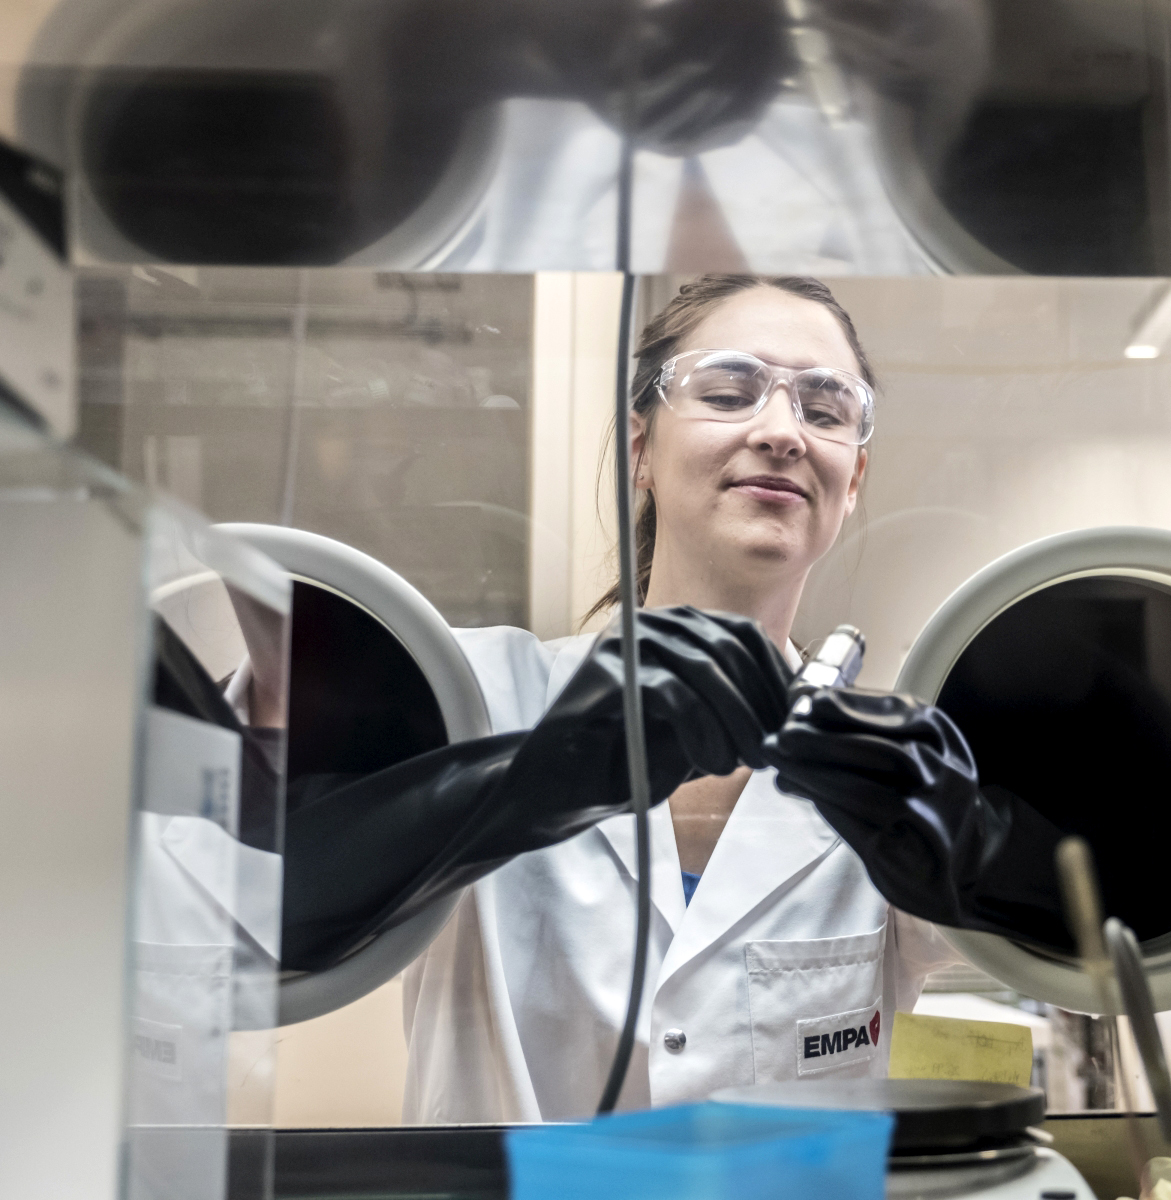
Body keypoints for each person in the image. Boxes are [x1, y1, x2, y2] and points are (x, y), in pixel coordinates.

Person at [370, 274, 1064, 1121]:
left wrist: (988, 855)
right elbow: (249, 878)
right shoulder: (477, 694)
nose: (781, 431)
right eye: (730, 392)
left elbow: (1110, 963)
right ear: (640, 450)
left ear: (853, 482)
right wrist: (519, 786)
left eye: (825, 408)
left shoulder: (886, 780)